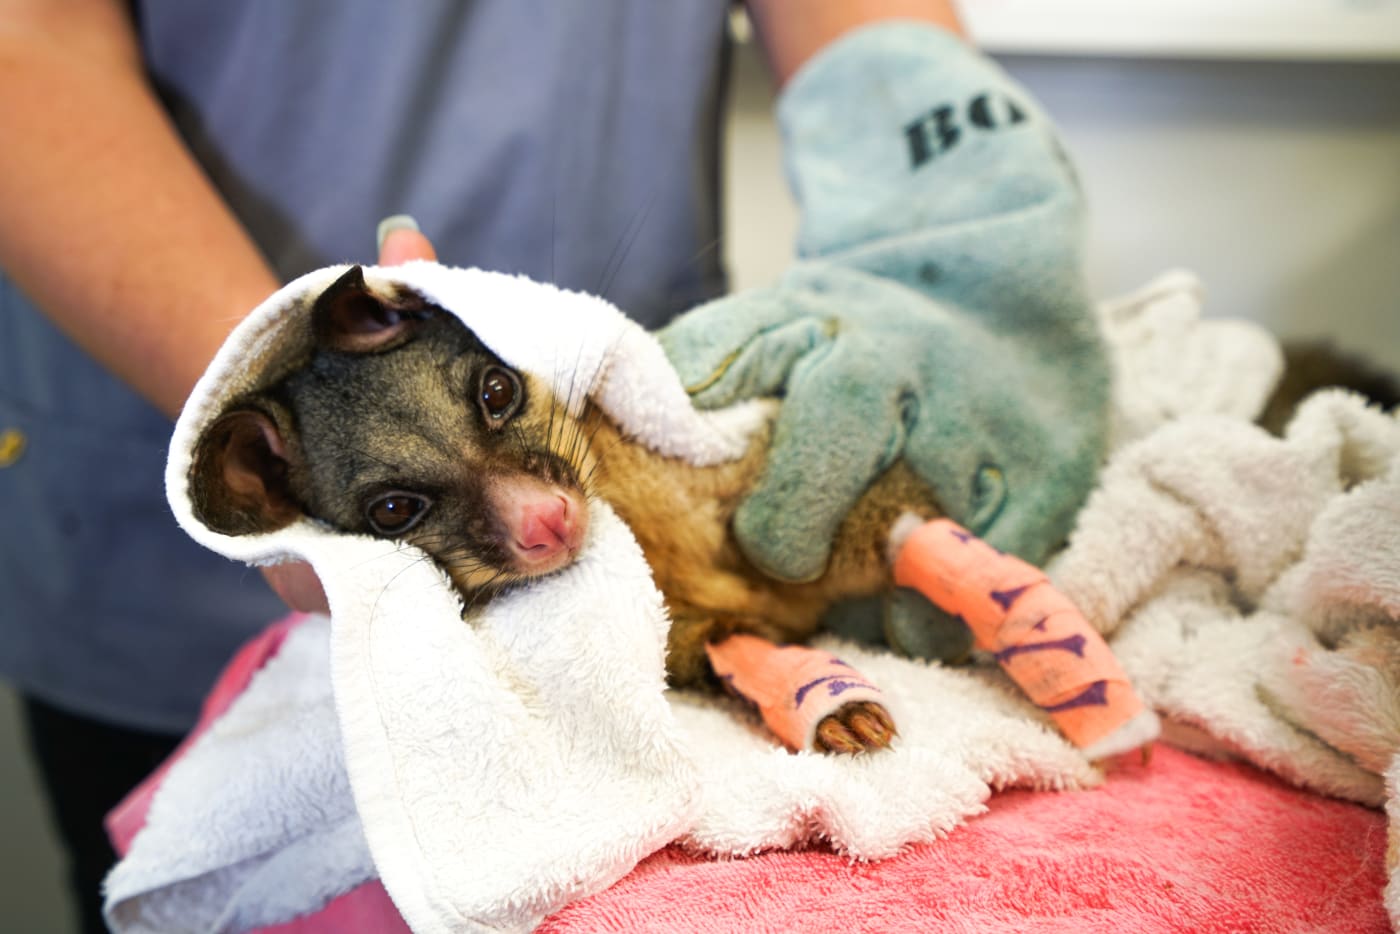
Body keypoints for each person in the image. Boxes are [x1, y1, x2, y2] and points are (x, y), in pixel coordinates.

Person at [1, 2, 1111, 930]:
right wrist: (279, 437)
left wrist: (944, 253)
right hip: (165, 536)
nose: (542, 521)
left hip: (661, 531)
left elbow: (868, 41)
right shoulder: (272, 479)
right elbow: (28, 45)